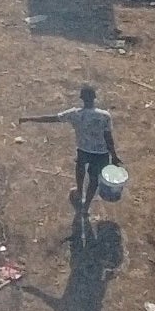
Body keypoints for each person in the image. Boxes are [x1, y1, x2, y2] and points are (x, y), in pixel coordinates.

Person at [22, 85, 117, 216]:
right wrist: (114, 156)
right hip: (101, 154)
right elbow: (108, 137)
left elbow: (52, 118)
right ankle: (86, 206)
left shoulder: (75, 114)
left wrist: (29, 118)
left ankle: (79, 191)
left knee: (80, 171)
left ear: (81, 98)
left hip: (83, 150)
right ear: (95, 97)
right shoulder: (105, 116)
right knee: (94, 180)